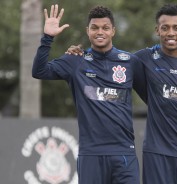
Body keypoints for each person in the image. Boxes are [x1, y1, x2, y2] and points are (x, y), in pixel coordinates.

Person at [67, 4, 177, 184]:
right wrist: (80, 54)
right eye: (165, 28)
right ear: (157, 30)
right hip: (156, 152)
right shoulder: (143, 58)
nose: (170, 33)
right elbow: (109, 59)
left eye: (176, 28)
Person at [32, 4, 147, 184]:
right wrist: (48, 38)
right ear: (87, 31)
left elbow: (151, 98)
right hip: (91, 154)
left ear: (113, 31)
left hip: (124, 152)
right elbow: (39, 71)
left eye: (105, 28)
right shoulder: (75, 61)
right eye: (95, 28)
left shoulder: (130, 62)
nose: (100, 32)